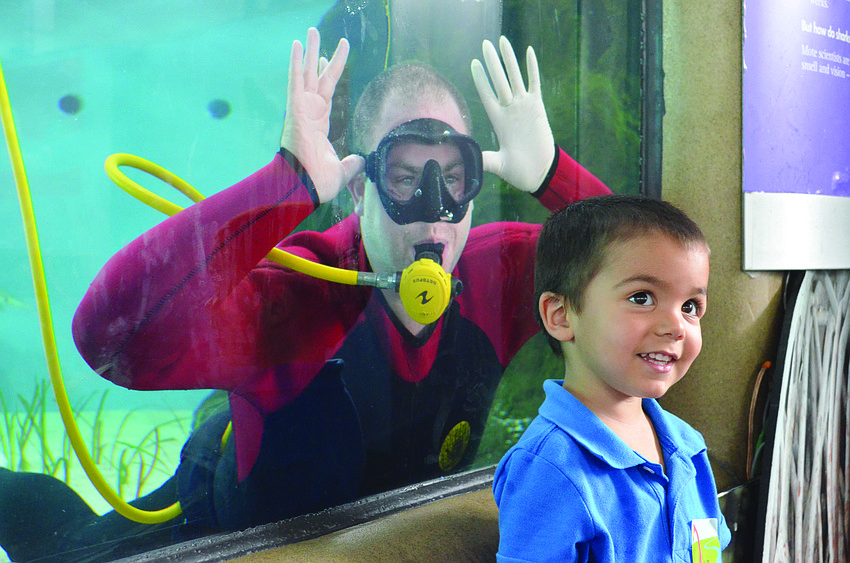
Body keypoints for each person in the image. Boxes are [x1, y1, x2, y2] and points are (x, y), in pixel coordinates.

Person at [0, 28, 610, 562]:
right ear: (359, 185)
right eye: (404, 176)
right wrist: (286, 183)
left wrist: (553, 172)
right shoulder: (300, 294)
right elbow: (110, 338)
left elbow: (644, 268)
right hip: (223, 511)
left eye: (453, 177)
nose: (435, 213)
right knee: (63, 546)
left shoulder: (495, 274)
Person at [493, 194, 731, 562]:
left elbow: (706, 553)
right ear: (561, 316)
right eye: (642, 297)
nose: (676, 327)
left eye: (690, 307)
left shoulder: (688, 447)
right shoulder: (548, 467)